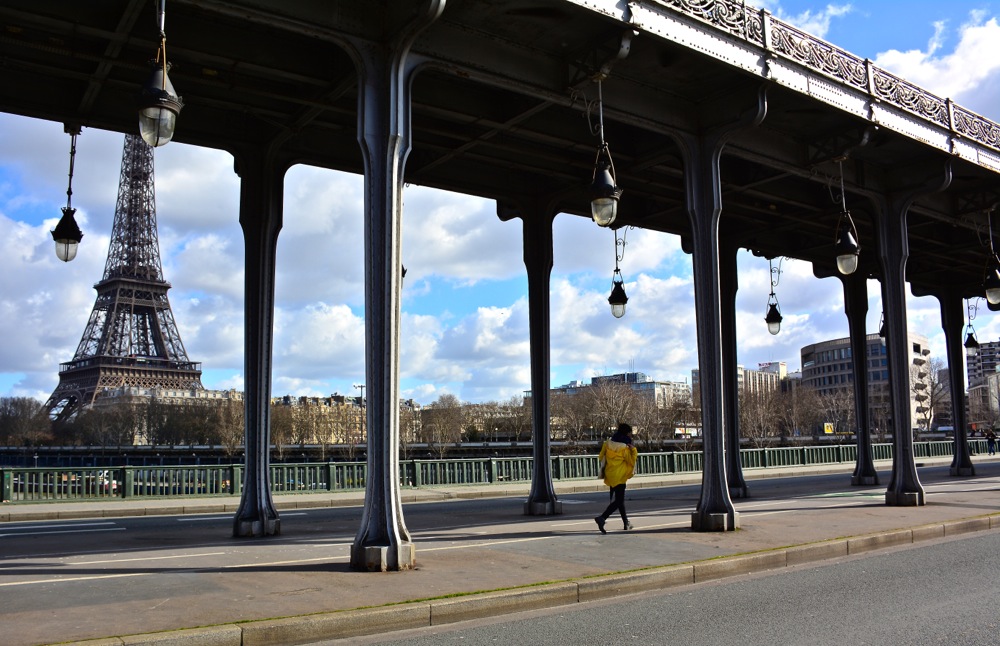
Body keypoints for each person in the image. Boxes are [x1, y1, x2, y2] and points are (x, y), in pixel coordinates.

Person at [595, 422, 638, 534]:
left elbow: (601, 456)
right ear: (627, 433)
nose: (631, 436)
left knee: (619, 500)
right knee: (619, 500)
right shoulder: (625, 447)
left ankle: (626, 523)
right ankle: (602, 518)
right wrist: (634, 450)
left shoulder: (608, 443)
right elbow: (631, 461)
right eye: (630, 433)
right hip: (620, 476)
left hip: (610, 474)